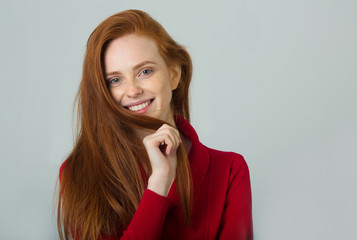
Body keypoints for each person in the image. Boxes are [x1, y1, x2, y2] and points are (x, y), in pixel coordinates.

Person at [57, 9, 253, 240]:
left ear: (173, 74)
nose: (132, 91)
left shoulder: (229, 170)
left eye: (145, 71)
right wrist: (159, 184)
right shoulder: (78, 172)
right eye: (115, 80)